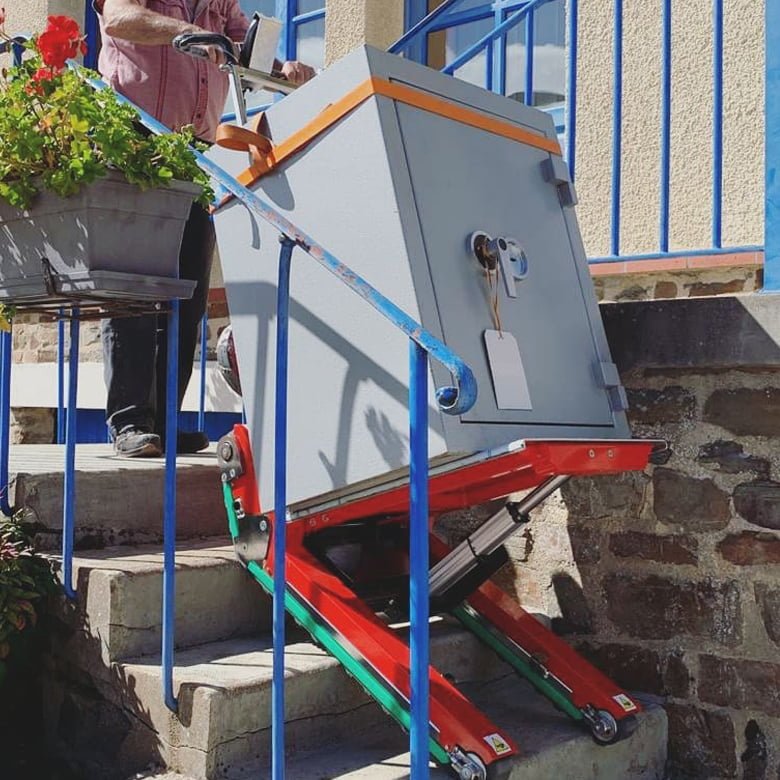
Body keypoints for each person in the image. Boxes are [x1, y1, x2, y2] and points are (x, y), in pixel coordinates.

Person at [95, 0, 314, 457]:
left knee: (187, 294)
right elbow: (117, 17)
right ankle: (131, 421)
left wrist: (280, 69)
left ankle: (164, 422)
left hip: (194, 149)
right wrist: (183, 30)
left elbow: (241, 48)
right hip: (136, 140)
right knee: (135, 287)